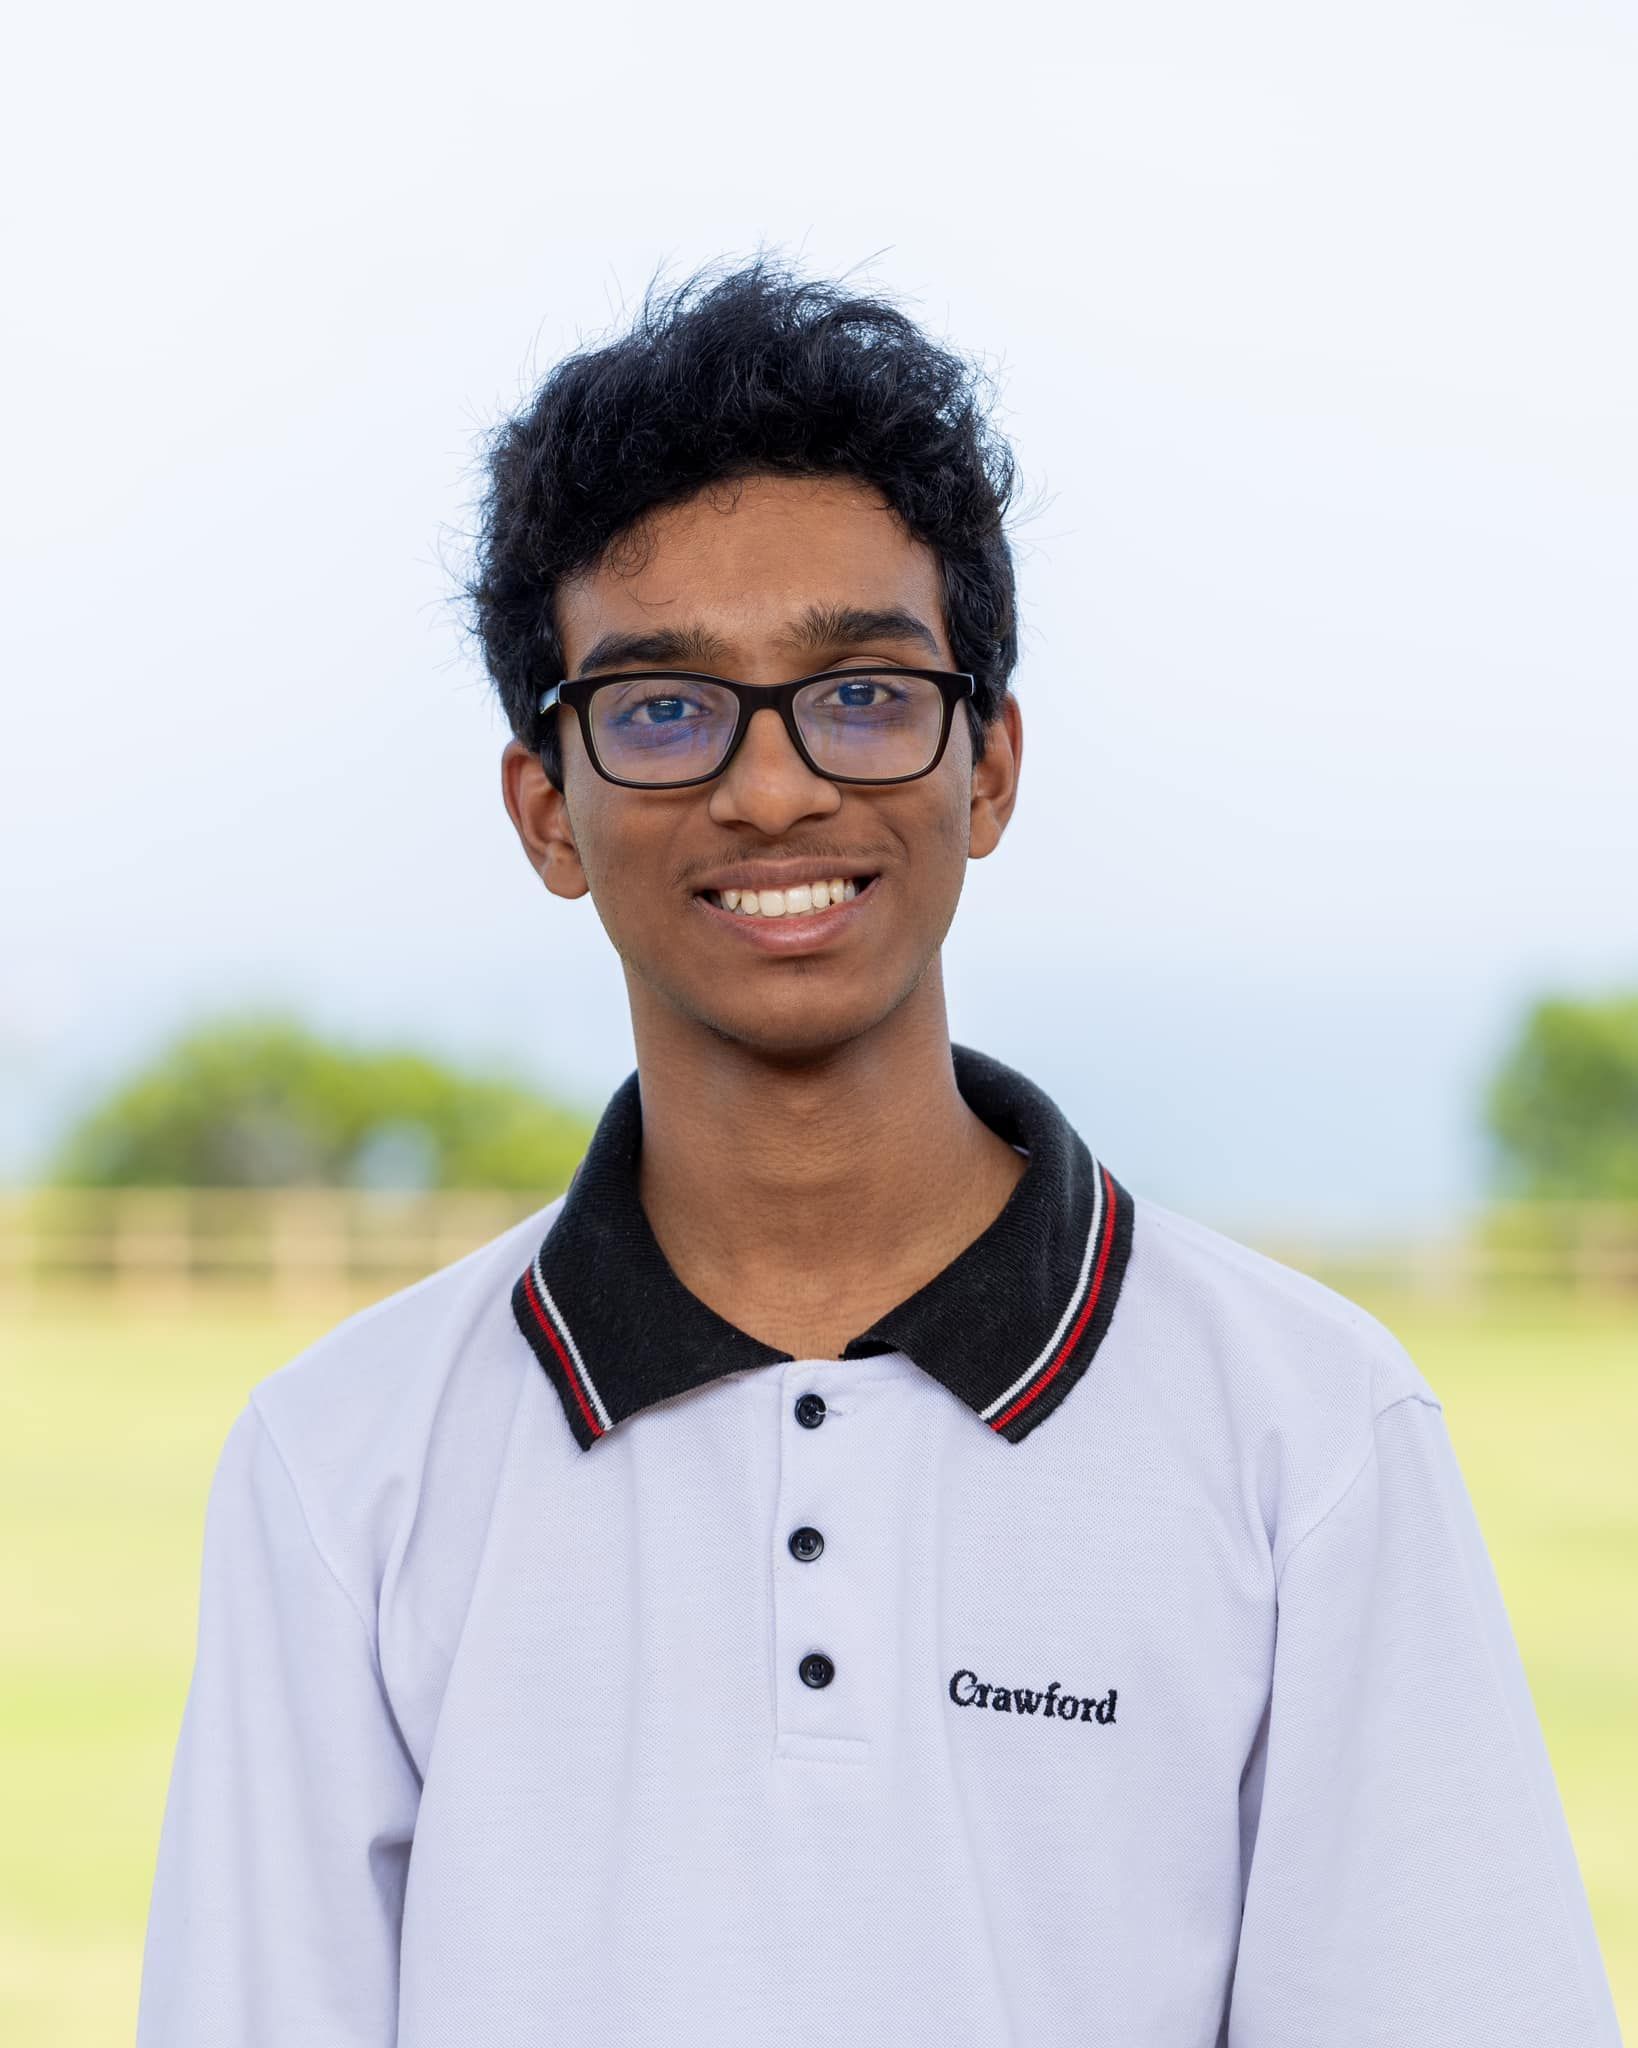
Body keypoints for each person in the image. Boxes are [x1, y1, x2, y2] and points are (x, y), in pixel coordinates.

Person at [136, 258, 1624, 2047]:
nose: (772, 788)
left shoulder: (1307, 1432)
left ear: (985, 766)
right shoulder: (343, 1463)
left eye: (859, 691)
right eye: (662, 706)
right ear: (547, 809)